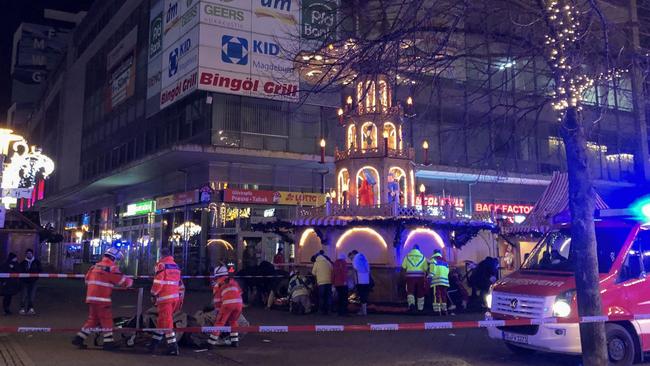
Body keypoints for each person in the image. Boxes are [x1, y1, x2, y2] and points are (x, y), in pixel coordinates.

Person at [72, 248, 133, 350]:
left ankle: (79, 338)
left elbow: (87, 280)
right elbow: (123, 282)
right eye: (117, 259)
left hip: (91, 298)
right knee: (107, 320)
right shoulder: (111, 268)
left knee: (93, 319)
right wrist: (130, 281)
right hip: (102, 299)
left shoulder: (95, 266)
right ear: (113, 258)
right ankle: (108, 343)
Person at [149, 247, 181, 356]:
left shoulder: (161, 265)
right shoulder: (175, 266)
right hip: (174, 297)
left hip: (165, 297)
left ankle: (173, 347)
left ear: (161, 255)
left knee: (166, 322)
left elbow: (158, 281)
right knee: (162, 321)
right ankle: (154, 343)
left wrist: (153, 293)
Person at [207, 264, 243, 348]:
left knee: (219, 322)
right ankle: (235, 341)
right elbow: (240, 293)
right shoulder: (233, 281)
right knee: (233, 321)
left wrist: (218, 311)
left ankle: (211, 343)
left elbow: (217, 300)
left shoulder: (218, 284)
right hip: (239, 304)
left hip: (227, 304)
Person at [401, 245, 428, 312]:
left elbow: (403, 267)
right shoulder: (423, 257)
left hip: (410, 277)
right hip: (420, 277)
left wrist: (403, 277)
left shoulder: (407, 257)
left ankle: (411, 306)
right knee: (420, 292)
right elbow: (426, 268)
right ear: (419, 250)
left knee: (410, 291)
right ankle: (420, 308)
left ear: (412, 249)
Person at [19, 249, 42, 315]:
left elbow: (40, 270)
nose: (29, 254)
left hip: (33, 281)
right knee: (24, 295)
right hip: (25, 281)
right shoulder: (23, 262)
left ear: (32, 254)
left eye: (30, 253)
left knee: (32, 295)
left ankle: (30, 308)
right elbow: (20, 271)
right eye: (27, 253)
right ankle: (22, 308)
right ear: (26, 254)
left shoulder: (37, 262)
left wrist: (34, 271)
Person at [348, 250, 371, 316]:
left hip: (360, 280)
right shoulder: (364, 257)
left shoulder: (355, 259)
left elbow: (355, 268)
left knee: (361, 296)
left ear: (353, 254)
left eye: (351, 257)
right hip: (366, 280)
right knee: (365, 295)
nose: (351, 258)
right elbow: (368, 268)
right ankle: (364, 311)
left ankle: (363, 312)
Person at [429, 250, 450, 315]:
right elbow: (448, 271)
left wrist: (429, 277)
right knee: (443, 296)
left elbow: (432, 271)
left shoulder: (433, 260)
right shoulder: (445, 261)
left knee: (436, 296)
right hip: (445, 281)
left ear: (434, 253)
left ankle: (437, 311)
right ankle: (444, 310)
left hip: (436, 281)